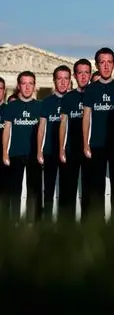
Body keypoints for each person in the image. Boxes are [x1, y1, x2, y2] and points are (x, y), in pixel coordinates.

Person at [82, 47, 114, 219]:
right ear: (97, 65)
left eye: (109, 62)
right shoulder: (91, 89)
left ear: (113, 64)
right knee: (96, 188)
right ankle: (97, 223)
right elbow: (86, 117)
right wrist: (85, 143)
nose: (106, 66)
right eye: (102, 62)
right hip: (96, 144)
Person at [1, 71, 41, 221]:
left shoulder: (40, 106)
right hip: (15, 153)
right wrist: (5, 153)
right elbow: (6, 131)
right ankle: (14, 221)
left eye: (30, 83)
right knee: (15, 190)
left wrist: (40, 152)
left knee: (33, 190)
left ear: (34, 86)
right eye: (24, 83)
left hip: (33, 154)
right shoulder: (11, 107)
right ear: (18, 86)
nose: (27, 87)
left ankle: (32, 221)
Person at [36, 65, 72, 220]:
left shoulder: (74, 100)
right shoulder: (46, 102)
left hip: (69, 150)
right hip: (50, 150)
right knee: (49, 187)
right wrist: (39, 150)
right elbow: (42, 127)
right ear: (54, 81)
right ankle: (47, 219)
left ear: (70, 81)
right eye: (59, 79)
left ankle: (66, 220)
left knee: (67, 187)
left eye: (66, 79)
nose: (63, 82)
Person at [57, 59, 91, 220]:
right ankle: (67, 223)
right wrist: (62, 148)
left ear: (90, 74)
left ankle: (87, 222)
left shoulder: (95, 93)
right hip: (71, 148)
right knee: (68, 188)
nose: (83, 77)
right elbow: (63, 123)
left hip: (91, 148)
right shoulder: (69, 97)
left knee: (88, 189)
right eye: (80, 73)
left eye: (86, 73)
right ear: (75, 75)